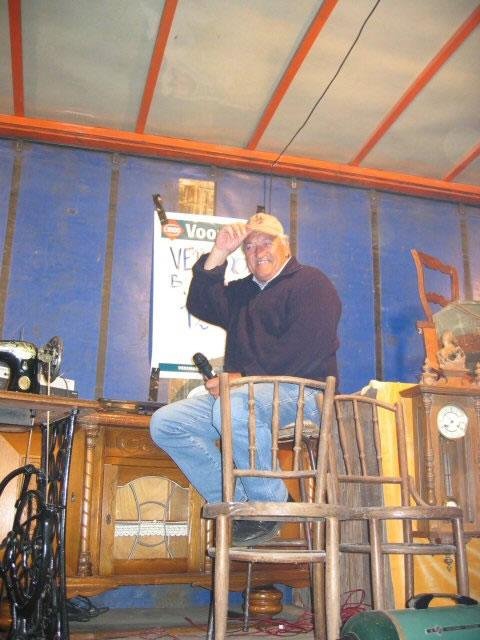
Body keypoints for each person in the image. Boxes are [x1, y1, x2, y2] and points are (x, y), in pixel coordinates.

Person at [150, 212, 341, 545]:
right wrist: (219, 252)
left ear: (285, 246)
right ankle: (241, 503)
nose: (258, 251)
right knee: (166, 423)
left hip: (305, 394)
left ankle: (269, 506)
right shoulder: (244, 293)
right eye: (249, 246)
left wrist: (241, 380)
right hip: (247, 395)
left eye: (266, 242)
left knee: (233, 406)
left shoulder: (312, 283)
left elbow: (308, 350)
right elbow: (200, 303)